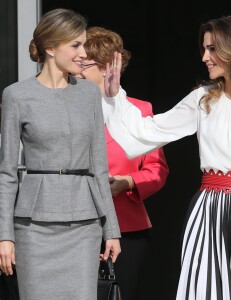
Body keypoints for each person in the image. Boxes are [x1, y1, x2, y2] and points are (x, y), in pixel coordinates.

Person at [104, 16, 231, 299]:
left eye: (212, 49)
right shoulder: (202, 99)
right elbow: (148, 131)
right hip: (208, 210)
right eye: (204, 49)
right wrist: (116, 96)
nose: (204, 57)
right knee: (204, 289)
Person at [0, 8, 121, 300]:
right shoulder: (16, 95)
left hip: (83, 225)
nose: (83, 53)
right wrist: (5, 235)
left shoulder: (90, 95)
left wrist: (111, 229)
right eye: (76, 45)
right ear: (51, 47)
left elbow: (99, 166)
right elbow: (6, 173)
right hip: (33, 227)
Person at [75, 26, 169, 300]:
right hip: (76, 224)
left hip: (127, 226)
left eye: (84, 65)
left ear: (107, 67)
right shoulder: (68, 110)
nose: (76, 71)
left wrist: (127, 182)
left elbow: (157, 170)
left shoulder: (141, 111)